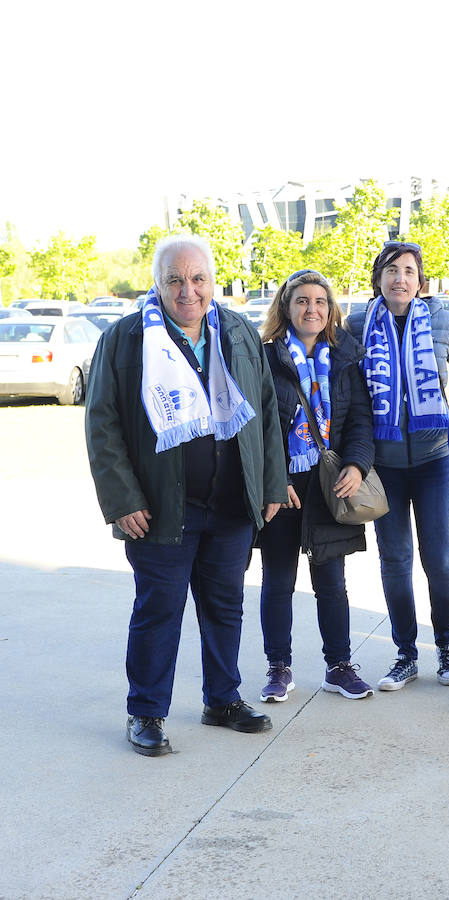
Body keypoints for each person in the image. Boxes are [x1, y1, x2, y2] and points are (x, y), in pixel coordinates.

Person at [85, 234, 287, 756]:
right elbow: (102, 425)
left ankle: (222, 699)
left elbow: (264, 413)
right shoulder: (127, 339)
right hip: (159, 510)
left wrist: (267, 482)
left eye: (198, 279)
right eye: (175, 280)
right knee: (160, 610)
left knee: (225, 606)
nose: (188, 291)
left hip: (230, 505)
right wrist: (122, 499)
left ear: (212, 283)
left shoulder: (238, 333)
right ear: (159, 284)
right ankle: (146, 712)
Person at [347, 241, 449, 691]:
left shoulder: (443, 322)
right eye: (392, 270)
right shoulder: (357, 327)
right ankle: (405, 653)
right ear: (378, 278)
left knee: (439, 559)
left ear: (421, 281)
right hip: (383, 467)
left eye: (409, 271)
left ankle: (448, 646)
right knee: (395, 560)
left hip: (435, 460)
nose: (400, 278)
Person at [257, 270, 376, 702]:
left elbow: (362, 420)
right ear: (286, 308)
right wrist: (275, 478)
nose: (312, 309)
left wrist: (358, 465)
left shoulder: (346, 359)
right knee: (278, 580)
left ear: (331, 310)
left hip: (331, 484)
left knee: (332, 581)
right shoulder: (265, 358)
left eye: (320, 302)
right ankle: (278, 667)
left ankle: (339, 667)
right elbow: (258, 427)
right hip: (283, 486)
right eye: (302, 301)